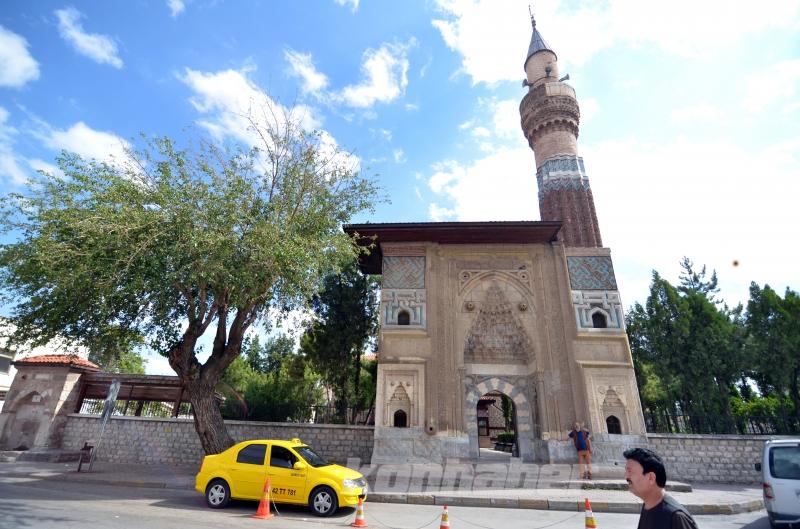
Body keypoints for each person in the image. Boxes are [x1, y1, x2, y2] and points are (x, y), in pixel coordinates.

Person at [623, 447, 698, 529]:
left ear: (651, 478)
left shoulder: (676, 517)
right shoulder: (648, 506)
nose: (626, 476)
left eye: (629, 471)